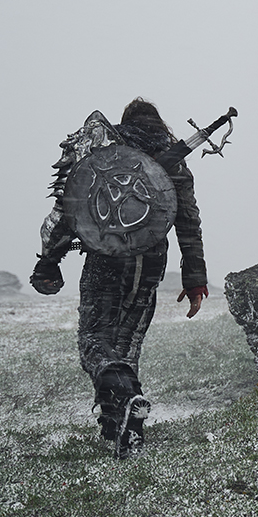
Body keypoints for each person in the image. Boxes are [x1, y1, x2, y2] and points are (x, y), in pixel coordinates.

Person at [29, 98, 209, 457]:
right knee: (127, 343)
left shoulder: (105, 150)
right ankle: (120, 424)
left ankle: (123, 402)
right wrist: (195, 279)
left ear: (125, 122)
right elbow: (188, 222)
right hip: (151, 259)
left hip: (107, 258)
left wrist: (49, 261)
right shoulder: (173, 159)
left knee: (96, 339)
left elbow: (69, 207)